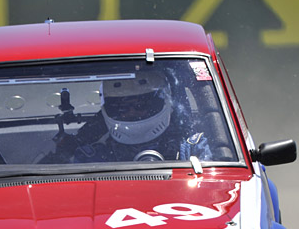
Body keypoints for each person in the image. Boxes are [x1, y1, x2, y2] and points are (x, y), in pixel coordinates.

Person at [43, 70, 211, 164]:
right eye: (122, 107)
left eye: (141, 106)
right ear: (108, 110)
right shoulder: (93, 158)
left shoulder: (193, 149)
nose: (132, 113)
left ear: (165, 104)